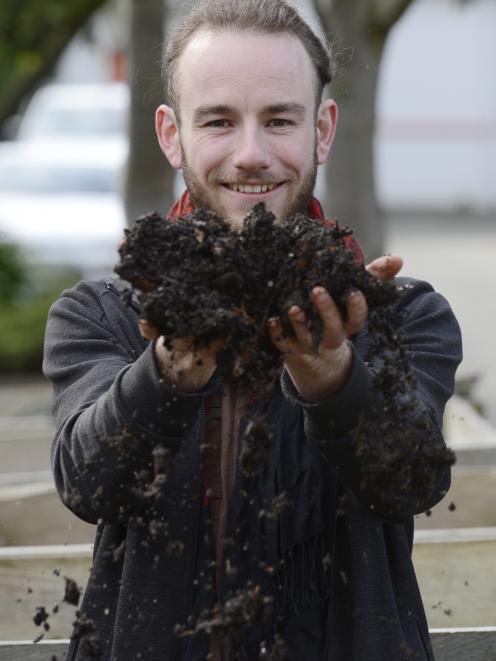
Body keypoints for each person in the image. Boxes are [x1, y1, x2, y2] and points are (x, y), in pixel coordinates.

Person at [43, 1, 462, 659]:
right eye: (217, 120)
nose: (251, 154)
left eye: (279, 120)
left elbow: (412, 480)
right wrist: (165, 372)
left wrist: (334, 376)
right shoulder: (102, 315)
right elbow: (87, 483)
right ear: (172, 133)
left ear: (322, 129)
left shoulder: (400, 315)